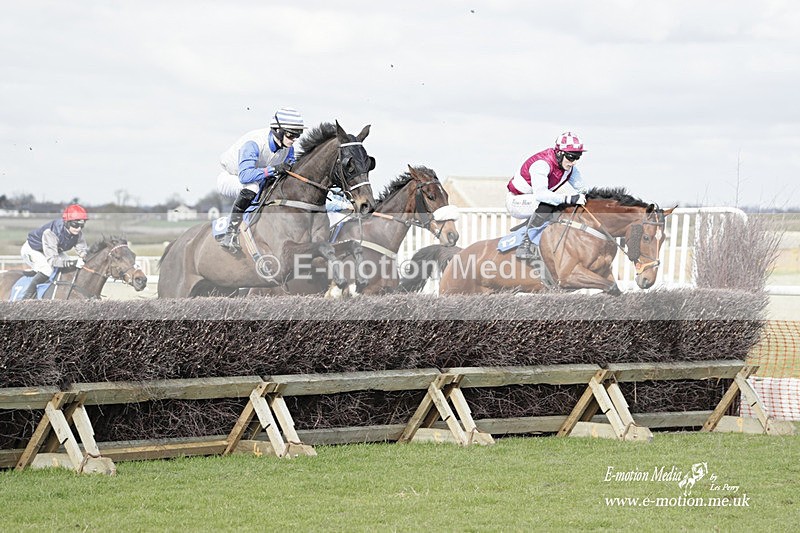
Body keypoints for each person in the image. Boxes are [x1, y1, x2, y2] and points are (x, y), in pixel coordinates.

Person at [217, 106, 306, 253]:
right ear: (278, 130)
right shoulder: (254, 143)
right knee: (252, 187)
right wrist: (274, 169)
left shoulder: (288, 148)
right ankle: (230, 232)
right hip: (231, 176)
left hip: (257, 177)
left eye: (298, 135)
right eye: (291, 135)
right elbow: (245, 176)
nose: (294, 140)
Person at [506, 131, 589, 259]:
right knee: (550, 202)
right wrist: (569, 198)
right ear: (560, 153)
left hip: (534, 202)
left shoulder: (569, 167)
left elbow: (583, 190)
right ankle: (524, 244)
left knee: (564, 206)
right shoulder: (542, 164)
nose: (574, 162)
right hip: (517, 202)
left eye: (577, 158)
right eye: (571, 157)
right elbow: (541, 195)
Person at [19, 204, 89, 299]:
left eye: (82, 225)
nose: (79, 228)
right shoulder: (51, 233)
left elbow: (82, 249)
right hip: (32, 249)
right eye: (75, 224)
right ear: (67, 222)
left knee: (68, 265)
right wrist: (73, 262)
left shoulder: (77, 233)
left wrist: (83, 257)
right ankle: (26, 298)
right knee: (47, 269)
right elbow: (53, 261)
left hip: (52, 249)